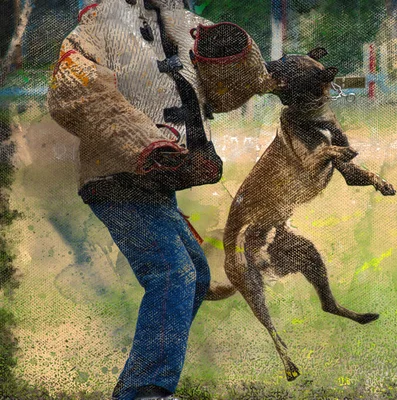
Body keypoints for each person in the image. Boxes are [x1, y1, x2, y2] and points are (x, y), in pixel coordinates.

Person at [47, 0, 270, 398]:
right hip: (115, 179)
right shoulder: (99, 24)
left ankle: (136, 386)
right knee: (173, 275)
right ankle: (148, 390)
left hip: (153, 185)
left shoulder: (181, 21)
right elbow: (74, 92)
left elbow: (226, 86)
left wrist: (270, 72)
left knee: (195, 276)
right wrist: (147, 145)